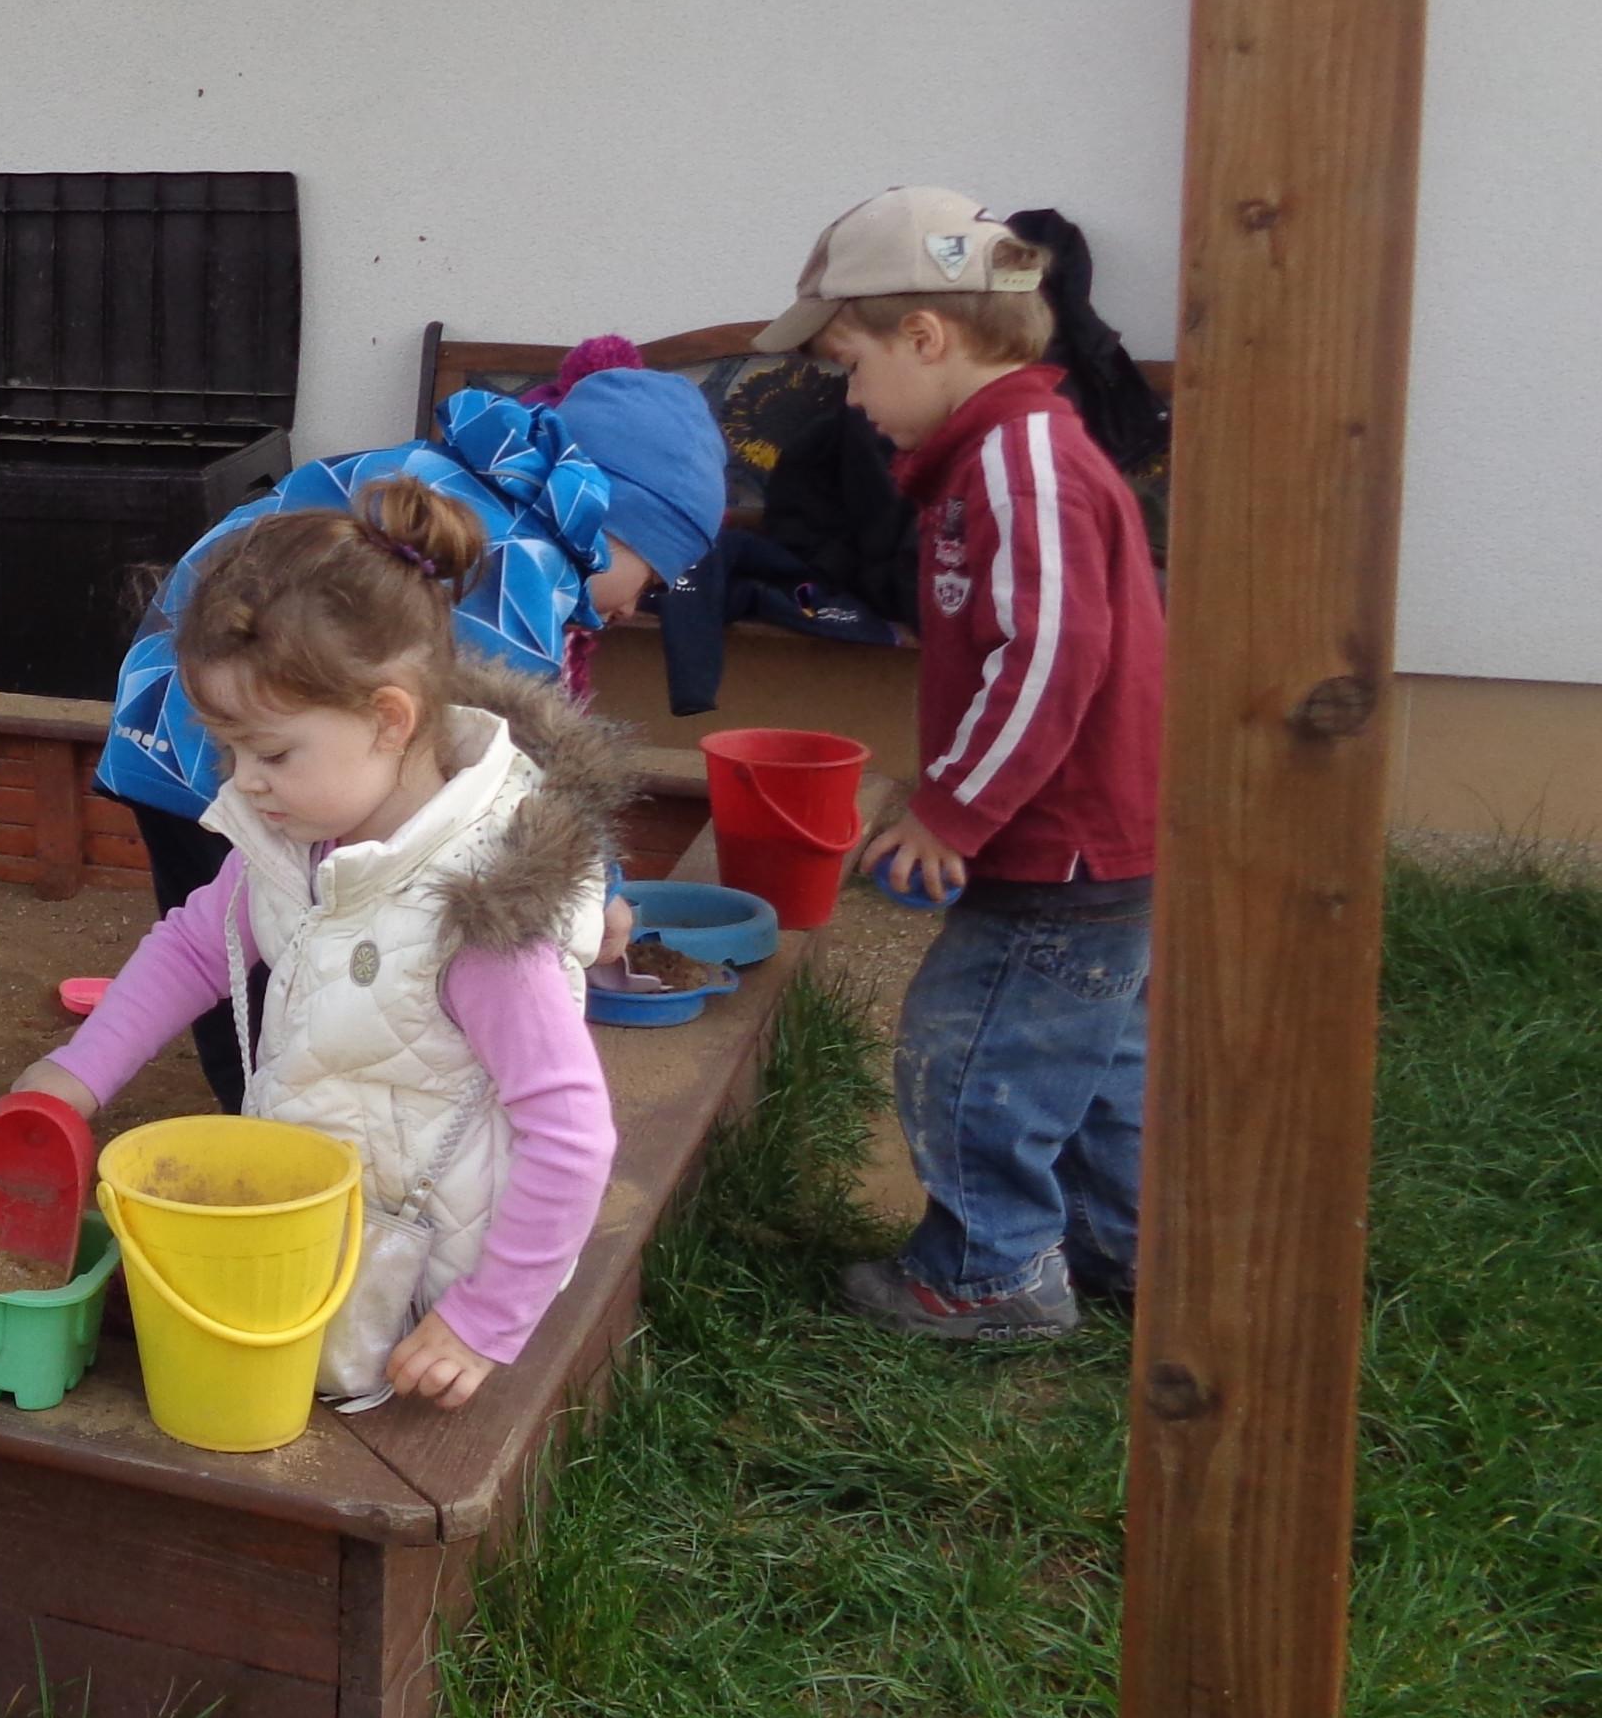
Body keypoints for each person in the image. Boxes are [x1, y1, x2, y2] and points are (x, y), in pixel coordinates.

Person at [15, 482, 621, 1412]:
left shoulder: (480, 912)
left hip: (423, 1289)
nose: (244, 784)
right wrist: (76, 1073)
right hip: (325, 1233)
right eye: (229, 750)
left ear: (390, 719)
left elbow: (572, 1137)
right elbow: (193, 944)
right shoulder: (303, 835)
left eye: (272, 753)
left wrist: (481, 1320)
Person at [757, 188, 1164, 1344]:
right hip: (1092, 841)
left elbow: (1048, 657)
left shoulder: (1019, 463)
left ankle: (991, 1276)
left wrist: (951, 814)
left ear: (926, 339)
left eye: (852, 364)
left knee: (972, 1048)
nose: (849, 394)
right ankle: (1121, 1246)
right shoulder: (1000, 452)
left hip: (1058, 843)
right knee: (1080, 1058)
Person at [98, 363, 722, 1104]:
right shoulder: (518, 562)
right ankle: (265, 1133)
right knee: (263, 967)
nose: (632, 610)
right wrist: (601, 892)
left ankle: (260, 1111)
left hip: (174, 720)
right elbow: (526, 762)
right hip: (260, 754)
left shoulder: (450, 481)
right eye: (651, 582)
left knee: (232, 949)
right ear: (618, 521)